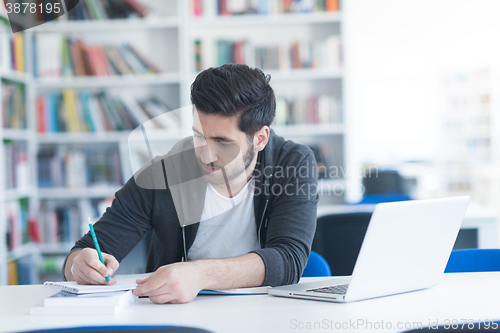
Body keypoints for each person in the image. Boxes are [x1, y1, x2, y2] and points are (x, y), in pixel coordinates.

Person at [63, 64, 319, 304]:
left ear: (260, 139)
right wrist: (79, 266)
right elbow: (83, 252)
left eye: (222, 142)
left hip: (267, 310)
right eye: (199, 136)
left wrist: (201, 275)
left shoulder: (292, 164)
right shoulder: (164, 173)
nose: (206, 155)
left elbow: (289, 259)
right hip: (178, 314)